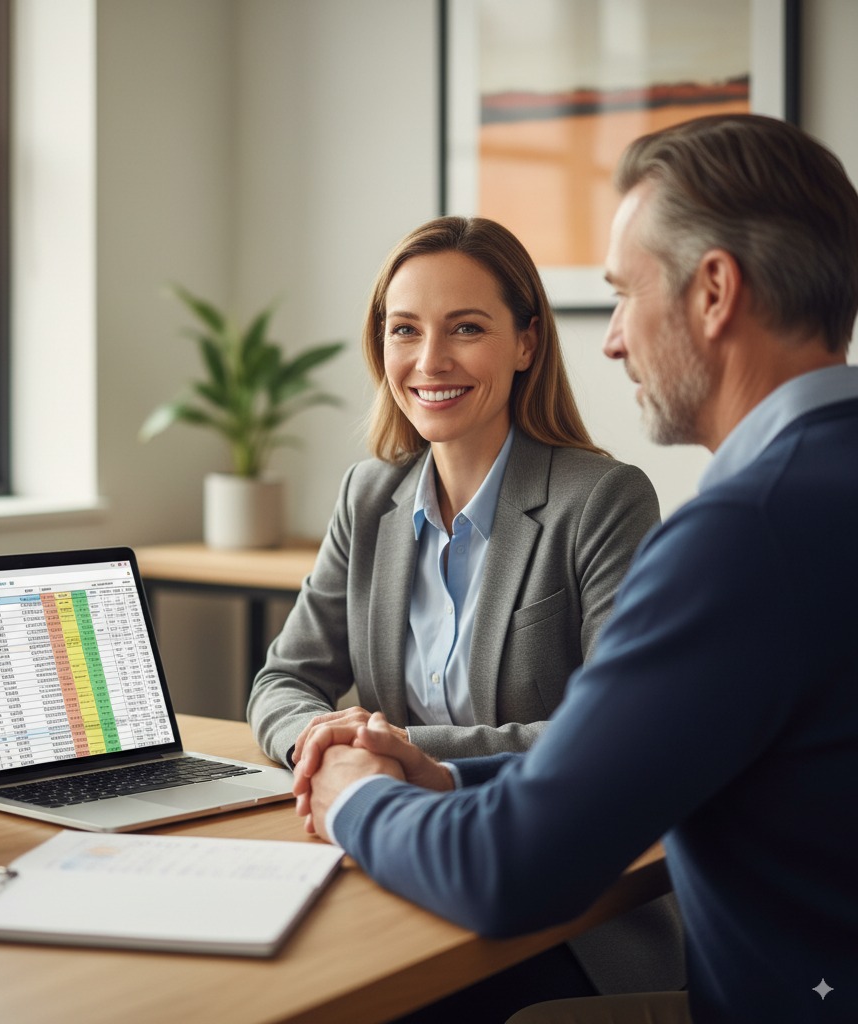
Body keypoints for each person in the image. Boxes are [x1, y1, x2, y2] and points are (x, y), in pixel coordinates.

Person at [294, 113, 858, 1024]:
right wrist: (445, 779)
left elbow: (512, 871)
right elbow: (637, 760)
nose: (612, 339)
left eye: (624, 294)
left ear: (714, 291)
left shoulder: (745, 535)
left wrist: (358, 795)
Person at [247, 215, 685, 1006]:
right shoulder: (368, 494)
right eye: (404, 329)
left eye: (466, 329)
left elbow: (611, 738)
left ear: (526, 344)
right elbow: (283, 678)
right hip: (394, 866)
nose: (429, 361)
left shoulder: (602, 500)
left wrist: (397, 747)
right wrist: (325, 744)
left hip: (559, 907)